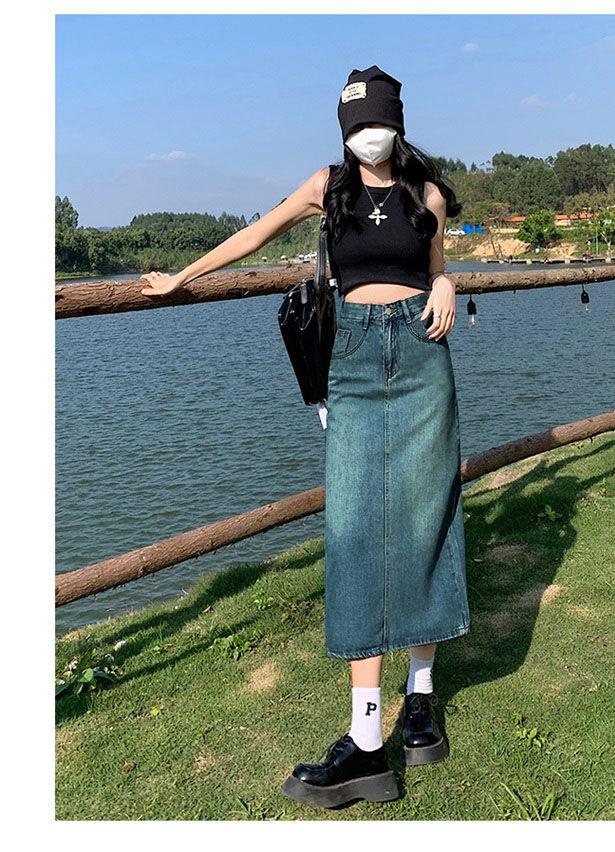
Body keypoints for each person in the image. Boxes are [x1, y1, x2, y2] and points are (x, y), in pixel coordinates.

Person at [140, 64, 470, 810]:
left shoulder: (427, 193)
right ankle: (367, 738)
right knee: (353, 530)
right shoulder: (327, 186)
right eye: (357, 125)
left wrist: (449, 282)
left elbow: (438, 267)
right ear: (344, 130)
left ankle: (420, 698)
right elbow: (255, 233)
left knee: (428, 517)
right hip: (352, 359)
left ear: (397, 123)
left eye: (378, 122)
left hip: (423, 358)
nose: (369, 135)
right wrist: (182, 277)